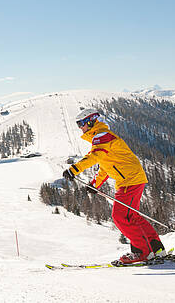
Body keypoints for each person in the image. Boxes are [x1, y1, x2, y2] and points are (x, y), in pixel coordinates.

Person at [62, 108, 166, 266]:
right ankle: (156, 249)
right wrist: (95, 184)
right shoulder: (100, 138)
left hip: (130, 181)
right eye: (78, 125)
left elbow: (95, 156)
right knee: (132, 217)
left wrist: (74, 169)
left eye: (81, 124)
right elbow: (105, 165)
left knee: (121, 217)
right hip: (131, 179)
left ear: (90, 121)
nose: (80, 128)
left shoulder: (102, 136)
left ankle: (142, 252)